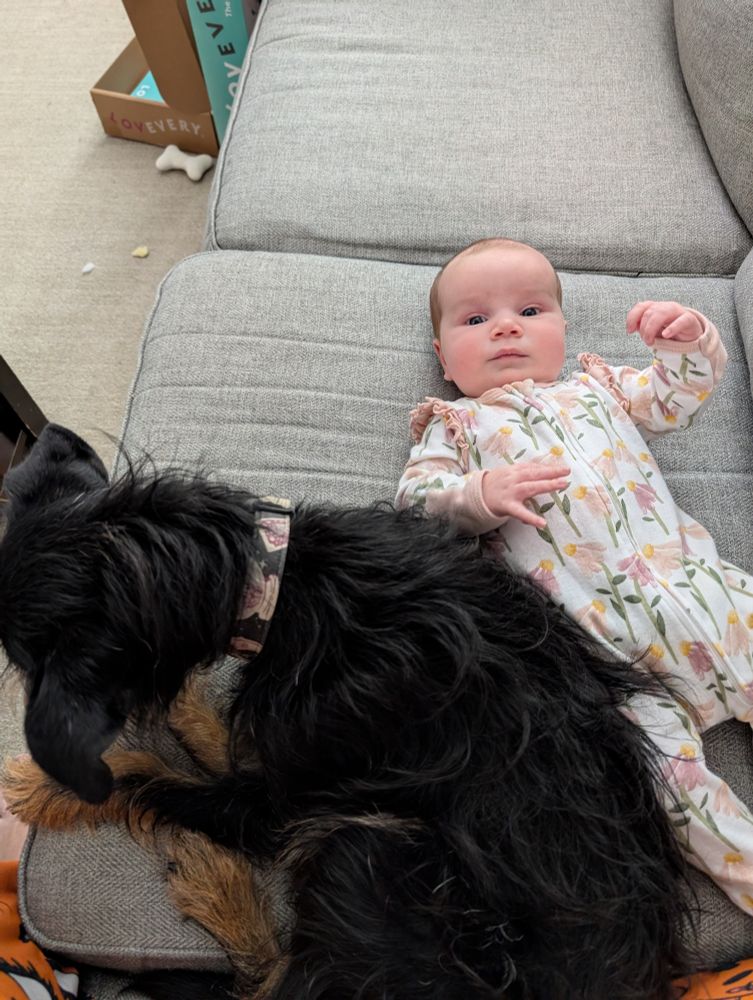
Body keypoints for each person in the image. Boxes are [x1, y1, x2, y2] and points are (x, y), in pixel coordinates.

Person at [396, 236, 753, 914]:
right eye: (474, 320)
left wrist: (685, 344)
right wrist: (479, 492)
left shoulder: (600, 389)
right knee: (666, 787)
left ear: (561, 329)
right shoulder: (457, 427)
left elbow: (675, 399)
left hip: (711, 603)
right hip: (605, 658)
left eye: (529, 310)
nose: (504, 326)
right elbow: (414, 502)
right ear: (443, 359)